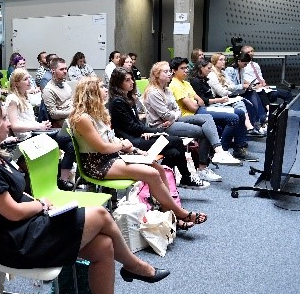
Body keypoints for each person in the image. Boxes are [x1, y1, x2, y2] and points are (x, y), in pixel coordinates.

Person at [0, 97, 169, 294]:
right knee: (102, 215)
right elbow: (13, 212)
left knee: (104, 247)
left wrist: (44, 205)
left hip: (25, 229)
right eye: (3, 119)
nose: (9, 123)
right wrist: (40, 205)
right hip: (15, 243)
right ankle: (134, 266)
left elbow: (17, 198)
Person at [71, 76, 208, 228]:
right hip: (98, 164)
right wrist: (123, 145)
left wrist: (135, 149)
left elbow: (111, 140)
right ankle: (180, 214)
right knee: (152, 174)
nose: (105, 90)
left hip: (112, 157)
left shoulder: (98, 113)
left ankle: (168, 215)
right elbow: (102, 147)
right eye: (101, 87)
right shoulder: (82, 118)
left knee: (159, 169)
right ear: (91, 92)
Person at [107, 68, 208, 191]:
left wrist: (146, 131)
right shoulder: (118, 101)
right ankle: (185, 178)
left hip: (138, 135)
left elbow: (136, 123)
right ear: (118, 83)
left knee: (174, 153)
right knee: (176, 141)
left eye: (131, 79)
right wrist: (156, 131)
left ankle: (160, 183)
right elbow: (131, 127)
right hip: (131, 141)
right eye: (127, 80)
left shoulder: (127, 97)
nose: (132, 82)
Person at [143, 61, 240, 183]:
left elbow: (176, 110)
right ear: (156, 74)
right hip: (160, 126)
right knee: (205, 131)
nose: (169, 74)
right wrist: (172, 116)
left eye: (169, 71)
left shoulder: (167, 90)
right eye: (165, 71)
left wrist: (173, 115)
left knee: (207, 118)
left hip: (173, 121)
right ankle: (202, 168)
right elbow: (165, 115)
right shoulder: (153, 92)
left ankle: (219, 151)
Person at [177, 57, 257, 161]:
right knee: (234, 118)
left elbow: (199, 101)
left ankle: (239, 148)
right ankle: (221, 151)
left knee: (240, 113)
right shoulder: (184, 83)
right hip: (197, 111)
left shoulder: (187, 83)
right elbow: (196, 105)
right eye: (183, 68)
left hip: (202, 108)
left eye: (187, 68)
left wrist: (197, 102)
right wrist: (199, 102)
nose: (186, 70)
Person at [8, 68, 76, 190]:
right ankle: (62, 179)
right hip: (26, 139)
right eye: (25, 79)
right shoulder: (13, 99)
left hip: (34, 133)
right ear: (16, 83)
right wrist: (38, 126)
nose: (30, 81)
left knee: (71, 144)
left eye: (29, 78)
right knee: (69, 139)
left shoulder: (24, 96)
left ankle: (63, 179)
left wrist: (40, 125)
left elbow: (26, 120)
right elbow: (14, 126)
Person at [209, 52, 267, 135]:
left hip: (231, 94)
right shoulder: (214, 74)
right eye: (221, 60)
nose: (224, 62)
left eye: (224, 60)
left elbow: (231, 85)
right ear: (214, 61)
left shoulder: (223, 72)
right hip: (221, 98)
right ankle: (254, 125)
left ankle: (254, 125)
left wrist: (243, 87)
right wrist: (239, 88)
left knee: (251, 95)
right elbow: (222, 91)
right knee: (242, 102)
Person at [42, 57, 73, 128]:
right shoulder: (48, 90)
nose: (65, 71)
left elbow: (71, 101)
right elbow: (53, 114)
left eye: (65, 68)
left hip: (72, 116)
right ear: (53, 70)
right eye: (61, 69)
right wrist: (72, 113)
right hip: (63, 121)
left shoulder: (65, 84)